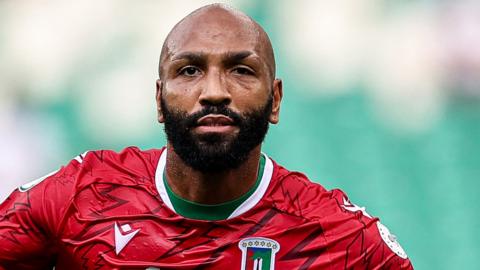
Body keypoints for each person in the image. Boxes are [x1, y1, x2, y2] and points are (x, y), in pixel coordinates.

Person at [0, 4, 413, 269]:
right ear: (159, 100)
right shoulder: (77, 196)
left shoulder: (343, 240)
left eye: (241, 70)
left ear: (276, 100)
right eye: (189, 70)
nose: (214, 91)